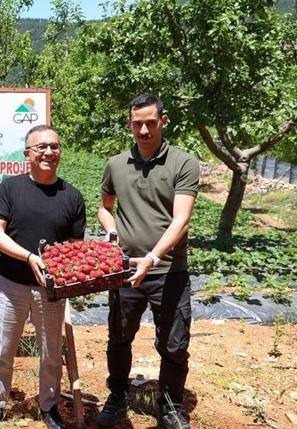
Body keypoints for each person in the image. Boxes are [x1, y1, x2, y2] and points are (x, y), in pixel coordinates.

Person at [96, 94, 199, 429]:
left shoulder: (183, 162)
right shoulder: (115, 164)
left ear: (163, 122)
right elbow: (104, 207)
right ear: (129, 123)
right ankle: (117, 396)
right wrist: (111, 231)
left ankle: (170, 403)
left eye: (150, 123)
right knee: (119, 336)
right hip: (125, 270)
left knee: (173, 344)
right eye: (137, 123)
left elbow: (180, 220)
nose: (143, 130)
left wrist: (153, 258)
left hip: (169, 271)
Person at [0, 125, 86, 429]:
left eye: (54, 146)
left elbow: (75, 249)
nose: (48, 153)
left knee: (51, 353)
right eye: (40, 147)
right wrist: (29, 257)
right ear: (27, 153)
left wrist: (68, 271)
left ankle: (48, 405)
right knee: (3, 348)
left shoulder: (72, 196)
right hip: (11, 283)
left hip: (51, 291)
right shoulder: (10, 188)